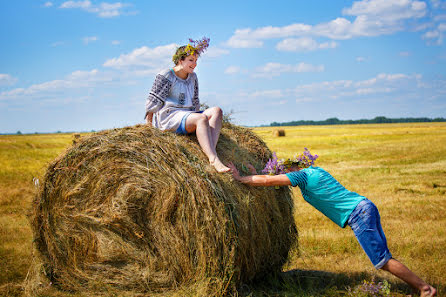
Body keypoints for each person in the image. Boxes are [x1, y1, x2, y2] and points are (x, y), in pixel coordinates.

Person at [227, 158, 436, 297]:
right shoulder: (316, 171)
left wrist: (239, 178)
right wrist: (256, 174)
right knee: (384, 256)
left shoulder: (302, 176)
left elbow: (268, 180)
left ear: (294, 168)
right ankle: (417, 289)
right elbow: (270, 179)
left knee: (382, 260)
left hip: (358, 214)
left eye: (285, 171)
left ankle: (425, 289)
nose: (284, 174)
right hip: (365, 206)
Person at [145, 38, 230, 173]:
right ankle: (214, 159)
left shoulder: (193, 77)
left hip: (188, 115)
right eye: (191, 60)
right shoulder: (167, 75)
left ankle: (210, 150)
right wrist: (148, 130)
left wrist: (199, 123)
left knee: (217, 111)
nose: (195, 64)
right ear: (180, 60)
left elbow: (195, 100)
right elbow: (153, 100)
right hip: (169, 117)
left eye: (196, 61)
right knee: (201, 119)